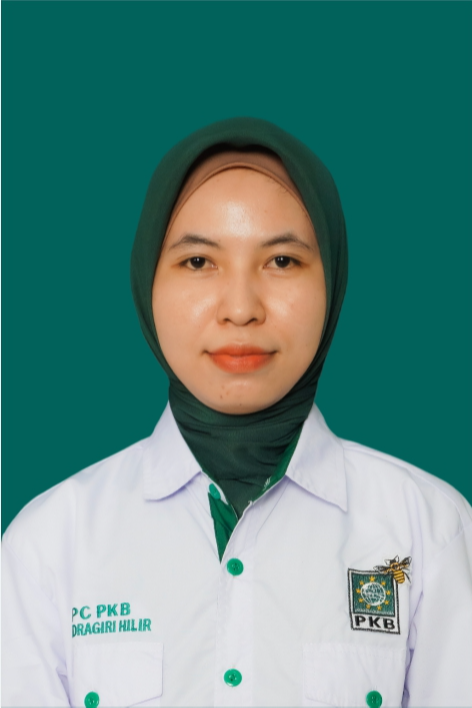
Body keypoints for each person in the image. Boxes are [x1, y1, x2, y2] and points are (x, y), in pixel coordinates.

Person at [2, 116, 471, 708]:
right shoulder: (49, 545)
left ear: (332, 282)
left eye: (283, 261)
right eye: (199, 262)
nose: (242, 308)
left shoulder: (429, 531)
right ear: (147, 282)